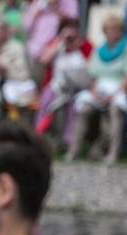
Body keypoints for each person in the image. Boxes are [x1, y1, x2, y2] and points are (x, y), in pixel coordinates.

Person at [65, 14, 127, 165]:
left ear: (121, 31)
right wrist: (94, 92)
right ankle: (73, 151)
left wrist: (113, 94)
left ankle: (113, 153)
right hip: (99, 88)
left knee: (115, 110)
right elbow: (92, 76)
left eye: (115, 29)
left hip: (119, 88)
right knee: (84, 109)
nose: (112, 33)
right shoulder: (99, 50)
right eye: (109, 30)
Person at [33, 17, 93, 152]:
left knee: (74, 105)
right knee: (46, 101)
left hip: (78, 87)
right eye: (68, 28)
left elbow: (92, 67)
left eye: (74, 29)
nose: (71, 33)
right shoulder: (56, 44)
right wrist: (61, 41)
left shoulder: (85, 45)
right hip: (57, 85)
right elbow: (44, 59)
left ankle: (68, 141)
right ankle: (38, 135)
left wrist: (78, 46)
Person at [22, 0, 79, 82]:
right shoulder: (38, 2)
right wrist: (38, 11)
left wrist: (55, 7)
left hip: (57, 52)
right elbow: (27, 25)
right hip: (35, 51)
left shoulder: (70, 2)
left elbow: (72, 26)